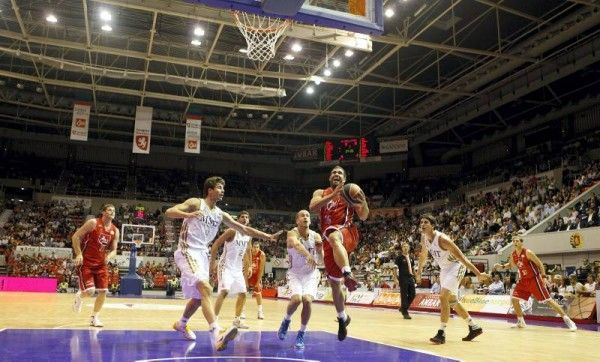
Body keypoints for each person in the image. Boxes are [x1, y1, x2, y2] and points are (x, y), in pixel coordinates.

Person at [166, 176, 282, 351]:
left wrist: (266, 236)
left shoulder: (220, 214)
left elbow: (243, 228)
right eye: (219, 187)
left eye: (223, 188)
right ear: (210, 190)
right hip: (187, 250)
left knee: (198, 298)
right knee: (205, 289)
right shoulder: (196, 203)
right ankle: (217, 334)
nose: (223, 190)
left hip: (202, 254)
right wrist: (188, 214)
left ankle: (181, 323)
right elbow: (169, 212)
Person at [309, 165, 369, 341]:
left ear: (344, 179)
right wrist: (332, 195)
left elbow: (364, 216)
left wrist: (362, 201)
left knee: (334, 235)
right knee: (334, 284)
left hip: (347, 232)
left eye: (340, 173)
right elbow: (312, 207)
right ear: (330, 177)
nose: (336, 174)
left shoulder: (350, 192)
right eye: (334, 172)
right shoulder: (321, 192)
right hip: (329, 240)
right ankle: (342, 317)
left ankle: (348, 273)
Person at [415, 213, 490, 344]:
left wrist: (478, 273)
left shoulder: (443, 239)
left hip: (456, 266)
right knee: (452, 301)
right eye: (421, 222)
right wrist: (419, 271)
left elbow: (463, 258)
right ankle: (474, 327)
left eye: (426, 222)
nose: (422, 224)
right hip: (444, 269)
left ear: (433, 226)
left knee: (443, 296)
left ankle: (441, 333)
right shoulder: (424, 238)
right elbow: (423, 254)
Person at [494, 234, 577, 331]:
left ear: (521, 242)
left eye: (517, 241)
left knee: (548, 300)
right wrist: (501, 266)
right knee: (514, 299)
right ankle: (521, 321)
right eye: (514, 241)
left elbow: (540, 264)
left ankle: (568, 320)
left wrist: (544, 277)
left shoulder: (528, 252)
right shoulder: (513, 254)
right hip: (523, 281)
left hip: (534, 279)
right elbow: (511, 265)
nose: (515, 243)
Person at [277, 210, 324, 349]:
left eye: (308, 216)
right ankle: (286, 321)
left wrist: (320, 250)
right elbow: (296, 245)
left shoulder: (316, 236)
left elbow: (321, 260)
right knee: (296, 299)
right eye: (302, 215)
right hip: (295, 273)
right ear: (297, 220)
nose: (306, 217)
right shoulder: (292, 233)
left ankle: (301, 333)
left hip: (310, 274)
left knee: (307, 300)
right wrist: (308, 255)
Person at [71, 204, 120, 327]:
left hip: (101, 264)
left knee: (103, 291)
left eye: (114, 210)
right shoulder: (93, 223)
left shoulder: (115, 230)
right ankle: (80, 296)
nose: (112, 212)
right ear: (103, 212)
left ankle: (94, 317)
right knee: (90, 291)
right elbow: (75, 236)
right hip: (86, 261)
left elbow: (114, 250)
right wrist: (78, 254)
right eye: (109, 210)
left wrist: (108, 257)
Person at [210, 210, 253, 329]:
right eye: (242, 217)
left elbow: (247, 250)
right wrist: (213, 263)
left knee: (243, 294)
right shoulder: (231, 231)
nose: (245, 219)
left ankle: (237, 321)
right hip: (226, 267)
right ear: (238, 220)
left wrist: (249, 265)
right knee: (224, 291)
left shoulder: (248, 234)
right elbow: (216, 244)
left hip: (237, 269)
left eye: (247, 217)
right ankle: (214, 321)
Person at [392, 242, 416, 319]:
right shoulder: (399, 258)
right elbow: (395, 268)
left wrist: (417, 276)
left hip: (410, 277)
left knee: (413, 294)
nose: (405, 248)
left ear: (409, 248)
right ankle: (405, 312)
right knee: (404, 295)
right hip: (403, 278)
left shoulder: (411, 258)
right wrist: (395, 278)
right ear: (402, 248)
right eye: (404, 246)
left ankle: (403, 308)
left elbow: (413, 268)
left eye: (407, 246)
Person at [247, 240, 266, 319]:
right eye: (254, 247)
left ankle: (260, 311)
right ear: (251, 248)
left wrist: (258, 282)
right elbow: (244, 267)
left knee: (258, 293)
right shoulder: (248, 253)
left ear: (259, 248)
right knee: (243, 292)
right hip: (247, 274)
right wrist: (245, 281)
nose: (255, 249)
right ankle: (242, 312)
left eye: (257, 247)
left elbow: (261, 269)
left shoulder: (262, 254)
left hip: (256, 275)